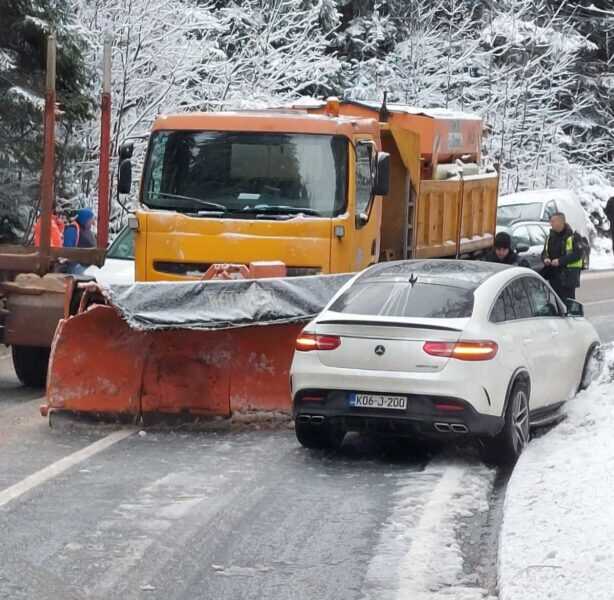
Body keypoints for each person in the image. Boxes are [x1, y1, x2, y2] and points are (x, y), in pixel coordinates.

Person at [542, 212, 583, 300]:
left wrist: (560, 261)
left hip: (568, 277)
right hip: (554, 276)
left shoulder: (573, 237)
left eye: (553, 221)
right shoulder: (550, 237)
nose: (551, 223)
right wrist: (546, 258)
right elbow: (544, 252)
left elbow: (577, 254)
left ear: (561, 222)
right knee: (557, 303)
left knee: (568, 303)